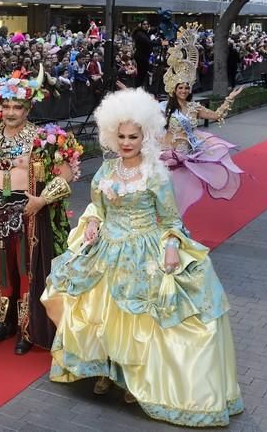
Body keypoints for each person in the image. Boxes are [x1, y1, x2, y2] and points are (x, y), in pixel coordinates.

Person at [41, 88, 243, 427]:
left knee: (139, 323)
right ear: (110, 135)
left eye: (133, 136)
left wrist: (171, 245)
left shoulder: (155, 173)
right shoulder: (105, 171)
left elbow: (170, 219)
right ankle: (108, 369)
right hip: (108, 250)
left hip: (144, 250)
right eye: (120, 136)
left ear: (145, 135)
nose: (126, 142)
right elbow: (96, 208)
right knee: (104, 317)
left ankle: (133, 379)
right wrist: (91, 223)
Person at [0, 65, 83, 355]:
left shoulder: (44, 138)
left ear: (28, 107)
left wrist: (43, 200)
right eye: (6, 105)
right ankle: (2, 321)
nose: (10, 112)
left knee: (26, 271)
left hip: (28, 214)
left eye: (17, 106)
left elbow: (68, 172)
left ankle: (27, 327)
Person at [160, 25, 244, 215]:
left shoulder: (194, 108)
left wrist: (229, 98)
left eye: (186, 88)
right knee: (165, 194)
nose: (183, 91)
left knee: (181, 196)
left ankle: (177, 229)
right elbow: (146, 112)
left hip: (188, 158)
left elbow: (217, 115)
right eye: (180, 88)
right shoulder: (165, 107)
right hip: (167, 157)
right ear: (174, 89)